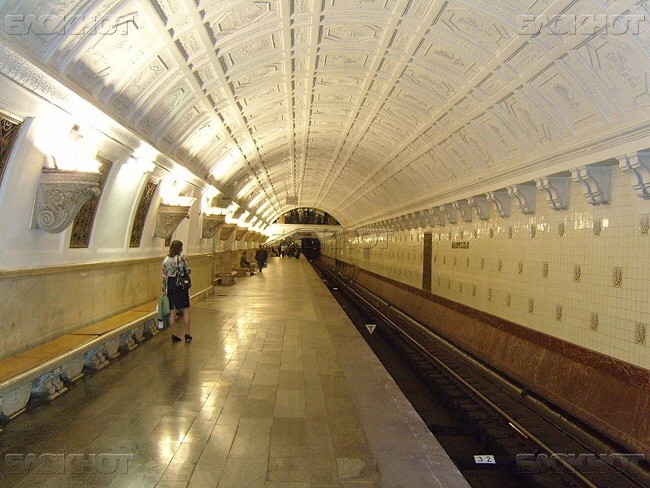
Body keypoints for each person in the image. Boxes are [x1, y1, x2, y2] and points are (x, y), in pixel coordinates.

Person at [162, 240, 192, 343]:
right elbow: (187, 270)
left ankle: (174, 334)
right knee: (185, 310)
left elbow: (164, 276)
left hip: (171, 286)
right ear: (180, 248)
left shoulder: (166, 260)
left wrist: (164, 290)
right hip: (180, 286)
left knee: (172, 311)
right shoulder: (181, 258)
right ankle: (187, 334)